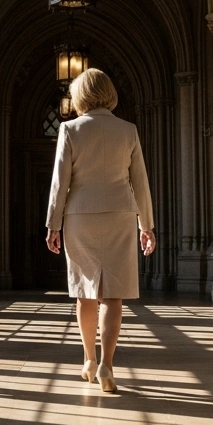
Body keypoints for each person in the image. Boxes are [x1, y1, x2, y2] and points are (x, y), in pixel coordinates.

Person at [45, 68, 155, 392]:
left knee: (85, 292)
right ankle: (108, 363)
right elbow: (141, 183)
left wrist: (53, 224)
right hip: (121, 213)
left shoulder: (69, 129)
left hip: (79, 215)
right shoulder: (128, 130)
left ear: (80, 96)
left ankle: (88, 358)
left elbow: (59, 183)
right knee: (113, 295)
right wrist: (146, 225)